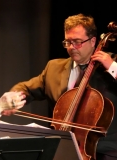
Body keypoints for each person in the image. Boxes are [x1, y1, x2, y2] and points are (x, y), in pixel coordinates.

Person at [10, 13, 117, 160]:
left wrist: (112, 66)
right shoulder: (54, 67)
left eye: (77, 42)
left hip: (106, 152)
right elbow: (27, 88)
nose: (72, 47)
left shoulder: (111, 64)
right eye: (68, 42)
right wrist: (13, 99)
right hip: (63, 148)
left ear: (93, 41)